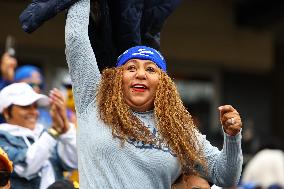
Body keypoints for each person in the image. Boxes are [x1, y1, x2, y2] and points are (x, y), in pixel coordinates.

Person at [65, 0, 243, 188]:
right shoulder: (94, 101)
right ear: (117, 78)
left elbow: (225, 176)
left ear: (163, 84)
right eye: (131, 68)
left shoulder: (177, 130)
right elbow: (76, 39)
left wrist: (232, 137)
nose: (140, 74)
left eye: (150, 70)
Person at [0, 83, 77, 189]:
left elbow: (72, 162)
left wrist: (65, 128)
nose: (33, 112)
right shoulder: (1, 139)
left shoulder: (45, 134)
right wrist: (54, 131)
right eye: (26, 106)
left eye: (35, 106)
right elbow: (25, 168)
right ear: (6, 112)